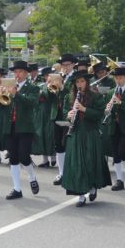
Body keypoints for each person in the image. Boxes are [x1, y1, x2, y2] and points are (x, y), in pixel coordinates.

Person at [61, 68, 111, 206]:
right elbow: (64, 112)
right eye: (77, 82)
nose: (79, 84)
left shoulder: (96, 96)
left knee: (90, 163)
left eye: (82, 81)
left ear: (87, 83)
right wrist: (68, 115)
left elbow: (100, 114)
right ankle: (81, 195)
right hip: (75, 134)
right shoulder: (69, 97)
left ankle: (93, 187)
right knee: (77, 165)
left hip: (90, 134)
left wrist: (84, 109)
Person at [1, 60, 40, 200]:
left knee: (24, 156)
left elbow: (32, 103)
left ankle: (32, 176)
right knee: (13, 157)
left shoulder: (33, 87)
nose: (17, 74)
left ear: (26, 73)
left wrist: (16, 94)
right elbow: (3, 105)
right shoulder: (9, 86)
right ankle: (17, 189)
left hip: (25, 127)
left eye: (19, 72)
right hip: (9, 126)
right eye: (15, 72)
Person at [104, 66, 125, 190]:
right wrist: (108, 108)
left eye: (120, 78)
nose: (118, 80)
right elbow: (107, 108)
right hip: (113, 125)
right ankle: (119, 180)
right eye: (116, 78)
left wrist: (120, 103)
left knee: (122, 151)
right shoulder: (111, 92)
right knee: (115, 153)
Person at [52, 53, 78, 185]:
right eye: (63, 65)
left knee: (68, 144)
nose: (65, 67)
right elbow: (50, 94)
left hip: (68, 114)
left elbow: (71, 94)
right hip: (56, 114)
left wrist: (61, 87)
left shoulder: (76, 78)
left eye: (68, 65)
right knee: (58, 145)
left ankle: (70, 172)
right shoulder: (58, 77)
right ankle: (61, 173)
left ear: (73, 65)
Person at [32, 66, 56, 168]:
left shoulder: (55, 85)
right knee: (41, 135)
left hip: (51, 112)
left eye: (50, 75)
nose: (49, 77)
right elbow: (36, 98)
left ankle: (53, 156)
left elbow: (50, 96)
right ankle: (45, 159)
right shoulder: (40, 85)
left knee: (50, 135)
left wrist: (46, 89)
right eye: (47, 75)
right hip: (40, 113)